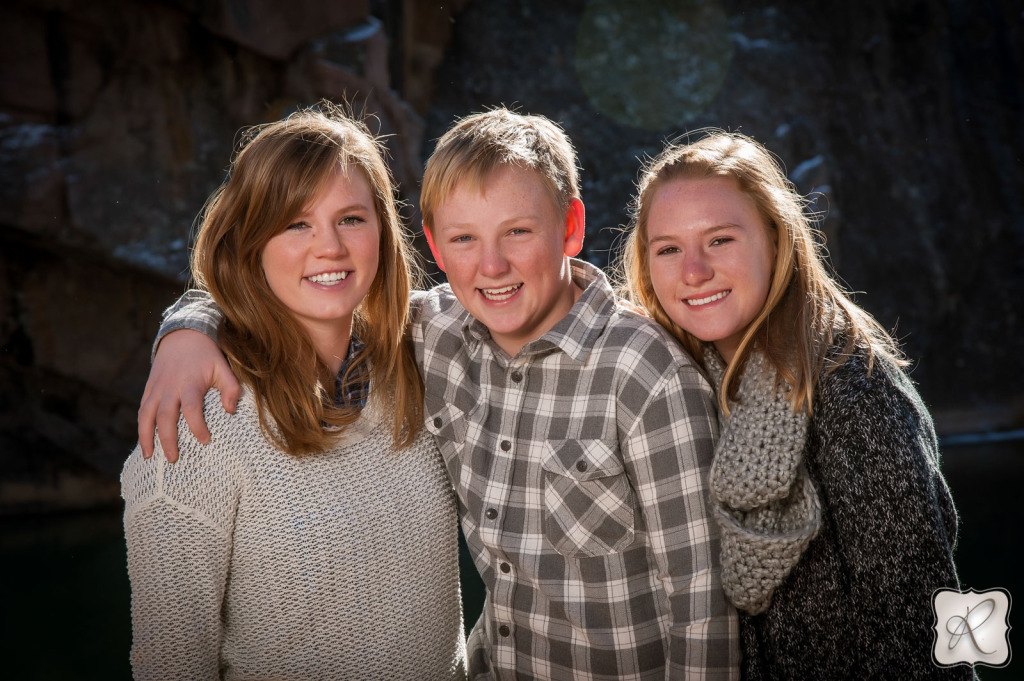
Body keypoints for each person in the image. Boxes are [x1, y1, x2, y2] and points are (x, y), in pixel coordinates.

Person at [138, 108, 741, 679]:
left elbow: (703, 609)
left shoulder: (633, 371)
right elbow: (170, 663)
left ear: (571, 228)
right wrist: (188, 325)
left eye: (519, 232)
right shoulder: (425, 339)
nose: (493, 266)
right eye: (465, 240)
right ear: (434, 244)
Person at [120, 105, 467, 680]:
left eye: (351, 219)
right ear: (249, 242)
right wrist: (189, 326)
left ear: (383, 229)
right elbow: (171, 666)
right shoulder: (199, 427)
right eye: (295, 223)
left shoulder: (426, 363)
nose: (329, 246)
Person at [618, 130, 973, 680]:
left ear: (777, 240)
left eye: (719, 240)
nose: (694, 271)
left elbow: (924, 633)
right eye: (669, 248)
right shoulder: (673, 385)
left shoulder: (853, 389)